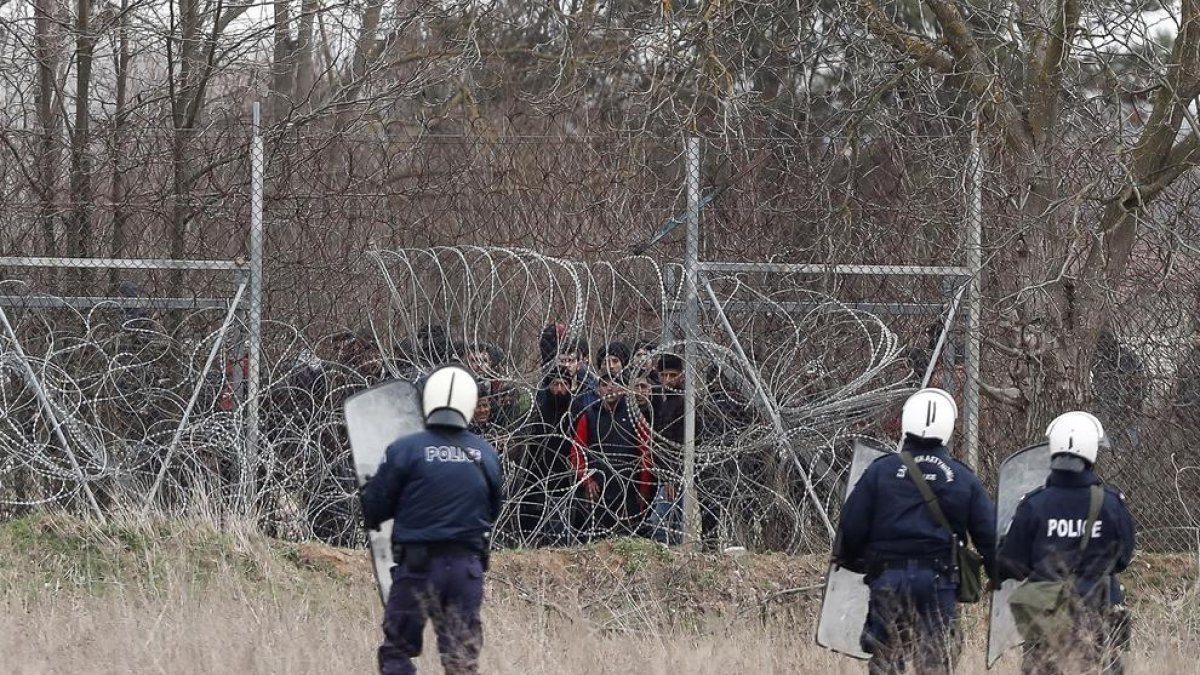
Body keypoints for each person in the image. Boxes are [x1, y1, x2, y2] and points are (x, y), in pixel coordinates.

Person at [835, 388, 996, 675]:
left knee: (886, 658)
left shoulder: (880, 471)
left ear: (907, 421)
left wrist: (850, 560)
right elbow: (989, 537)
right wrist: (998, 574)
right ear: (948, 427)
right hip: (939, 581)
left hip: (888, 578)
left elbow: (851, 525)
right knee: (935, 661)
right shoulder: (962, 477)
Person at [360, 365, 503, 675]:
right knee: (461, 661)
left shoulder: (405, 449)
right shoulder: (486, 454)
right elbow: (493, 511)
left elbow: (374, 509)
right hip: (467, 569)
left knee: (397, 652)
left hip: (418, 567)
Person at [998, 411, 1136, 675]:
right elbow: (1122, 559)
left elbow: (1009, 564)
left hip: (1047, 617)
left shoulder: (1033, 505)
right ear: (1091, 451)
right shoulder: (1111, 505)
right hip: (1099, 613)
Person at [570, 370, 654, 540]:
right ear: (598, 389)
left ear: (622, 389)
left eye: (614, 384)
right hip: (598, 492)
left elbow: (645, 454)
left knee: (626, 544)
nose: (609, 389)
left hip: (628, 491)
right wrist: (587, 480)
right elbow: (577, 451)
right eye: (604, 385)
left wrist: (644, 489)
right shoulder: (590, 414)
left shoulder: (634, 415)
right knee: (597, 543)